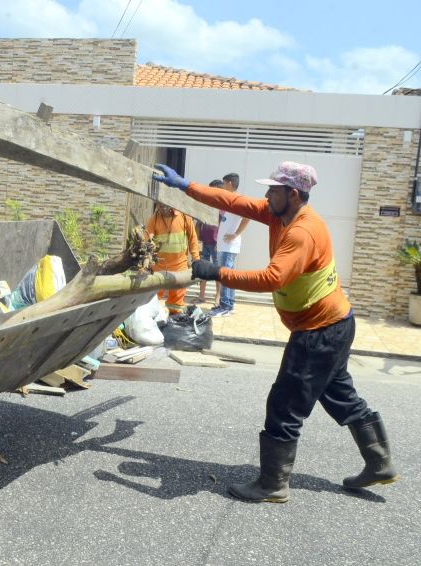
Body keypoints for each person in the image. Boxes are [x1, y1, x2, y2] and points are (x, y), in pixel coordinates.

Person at [153, 161, 398, 503]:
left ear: (293, 194)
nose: (266, 195)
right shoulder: (277, 213)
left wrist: (216, 272)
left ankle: (272, 485)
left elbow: (273, 278)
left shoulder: (302, 232)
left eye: (273, 189)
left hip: (318, 332)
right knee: (339, 395)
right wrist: (185, 185)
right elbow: (232, 202)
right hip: (336, 324)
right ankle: (379, 462)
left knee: (284, 405)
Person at [145, 202, 200, 314]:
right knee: (152, 299)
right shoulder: (154, 219)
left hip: (179, 266)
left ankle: (174, 319)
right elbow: (147, 239)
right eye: (159, 206)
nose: (162, 209)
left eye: (164, 206)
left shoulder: (185, 217)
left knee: (176, 303)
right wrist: (148, 245)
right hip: (158, 267)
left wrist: (196, 259)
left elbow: (193, 240)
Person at [208, 173, 251, 317]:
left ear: (230, 184)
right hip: (223, 246)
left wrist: (236, 234)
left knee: (225, 276)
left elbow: (248, 216)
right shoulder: (228, 201)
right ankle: (229, 304)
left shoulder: (237, 200)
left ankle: (224, 305)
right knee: (230, 276)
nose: (223, 187)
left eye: (224, 184)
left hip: (229, 246)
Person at [194, 179, 223, 304]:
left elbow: (224, 226)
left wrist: (220, 243)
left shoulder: (222, 206)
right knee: (203, 269)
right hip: (205, 242)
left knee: (217, 271)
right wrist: (197, 236)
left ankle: (218, 296)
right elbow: (199, 221)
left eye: (211, 189)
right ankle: (201, 296)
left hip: (216, 244)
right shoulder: (206, 204)